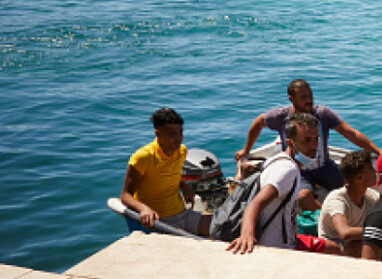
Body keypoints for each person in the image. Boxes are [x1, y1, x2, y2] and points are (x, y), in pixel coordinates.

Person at [234, 79, 381, 196]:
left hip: (324, 166)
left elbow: (351, 133)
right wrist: (246, 149)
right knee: (304, 197)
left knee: (355, 185)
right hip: (298, 170)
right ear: (291, 99)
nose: (309, 100)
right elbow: (258, 123)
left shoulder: (323, 114)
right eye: (303, 97)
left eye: (310, 96)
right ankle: (326, 217)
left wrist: (379, 152)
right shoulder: (281, 116)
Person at [226, 113, 329, 254]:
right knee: (339, 250)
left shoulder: (280, 160)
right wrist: (246, 235)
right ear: (291, 143)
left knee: (332, 247)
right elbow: (255, 204)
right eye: (306, 140)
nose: (314, 146)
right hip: (278, 245)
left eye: (316, 139)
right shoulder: (287, 170)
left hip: (289, 237)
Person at [121, 108, 210, 236]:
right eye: (172, 134)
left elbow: (168, 175)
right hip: (159, 220)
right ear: (158, 134)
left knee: (222, 225)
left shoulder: (181, 151)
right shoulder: (143, 157)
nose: (179, 138)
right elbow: (125, 195)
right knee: (190, 241)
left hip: (183, 213)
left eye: (180, 132)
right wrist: (143, 208)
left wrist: (184, 186)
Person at [318, 150, 379, 257]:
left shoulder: (369, 195)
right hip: (334, 248)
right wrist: (379, 231)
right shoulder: (337, 200)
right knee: (361, 246)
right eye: (371, 169)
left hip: (354, 242)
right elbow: (345, 233)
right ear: (358, 178)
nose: (375, 172)